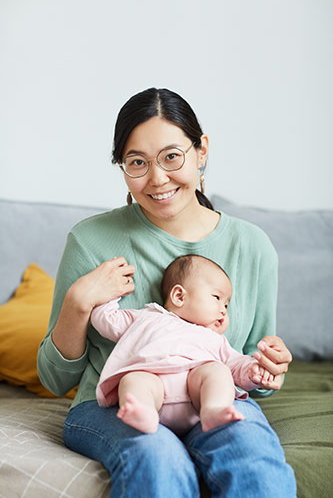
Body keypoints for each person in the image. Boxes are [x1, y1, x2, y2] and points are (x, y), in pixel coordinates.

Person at [37, 87, 296, 497]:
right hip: (116, 404)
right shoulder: (91, 241)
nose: (157, 179)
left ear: (201, 151)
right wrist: (78, 301)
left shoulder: (252, 246)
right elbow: (55, 379)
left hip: (212, 397)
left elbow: (253, 367)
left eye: (171, 157)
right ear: (122, 167)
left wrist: (269, 367)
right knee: (158, 456)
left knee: (252, 458)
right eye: (137, 162)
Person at [92, 254, 275, 435]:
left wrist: (253, 371)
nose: (223, 310)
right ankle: (142, 412)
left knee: (218, 371)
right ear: (179, 296)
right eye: (217, 298)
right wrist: (110, 291)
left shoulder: (213, 338)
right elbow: (106, 320)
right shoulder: (146, 317)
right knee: (134, 379)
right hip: (154, 389)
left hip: (197, 400)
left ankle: (215, 409)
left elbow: (236, 364)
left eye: (227, 305)